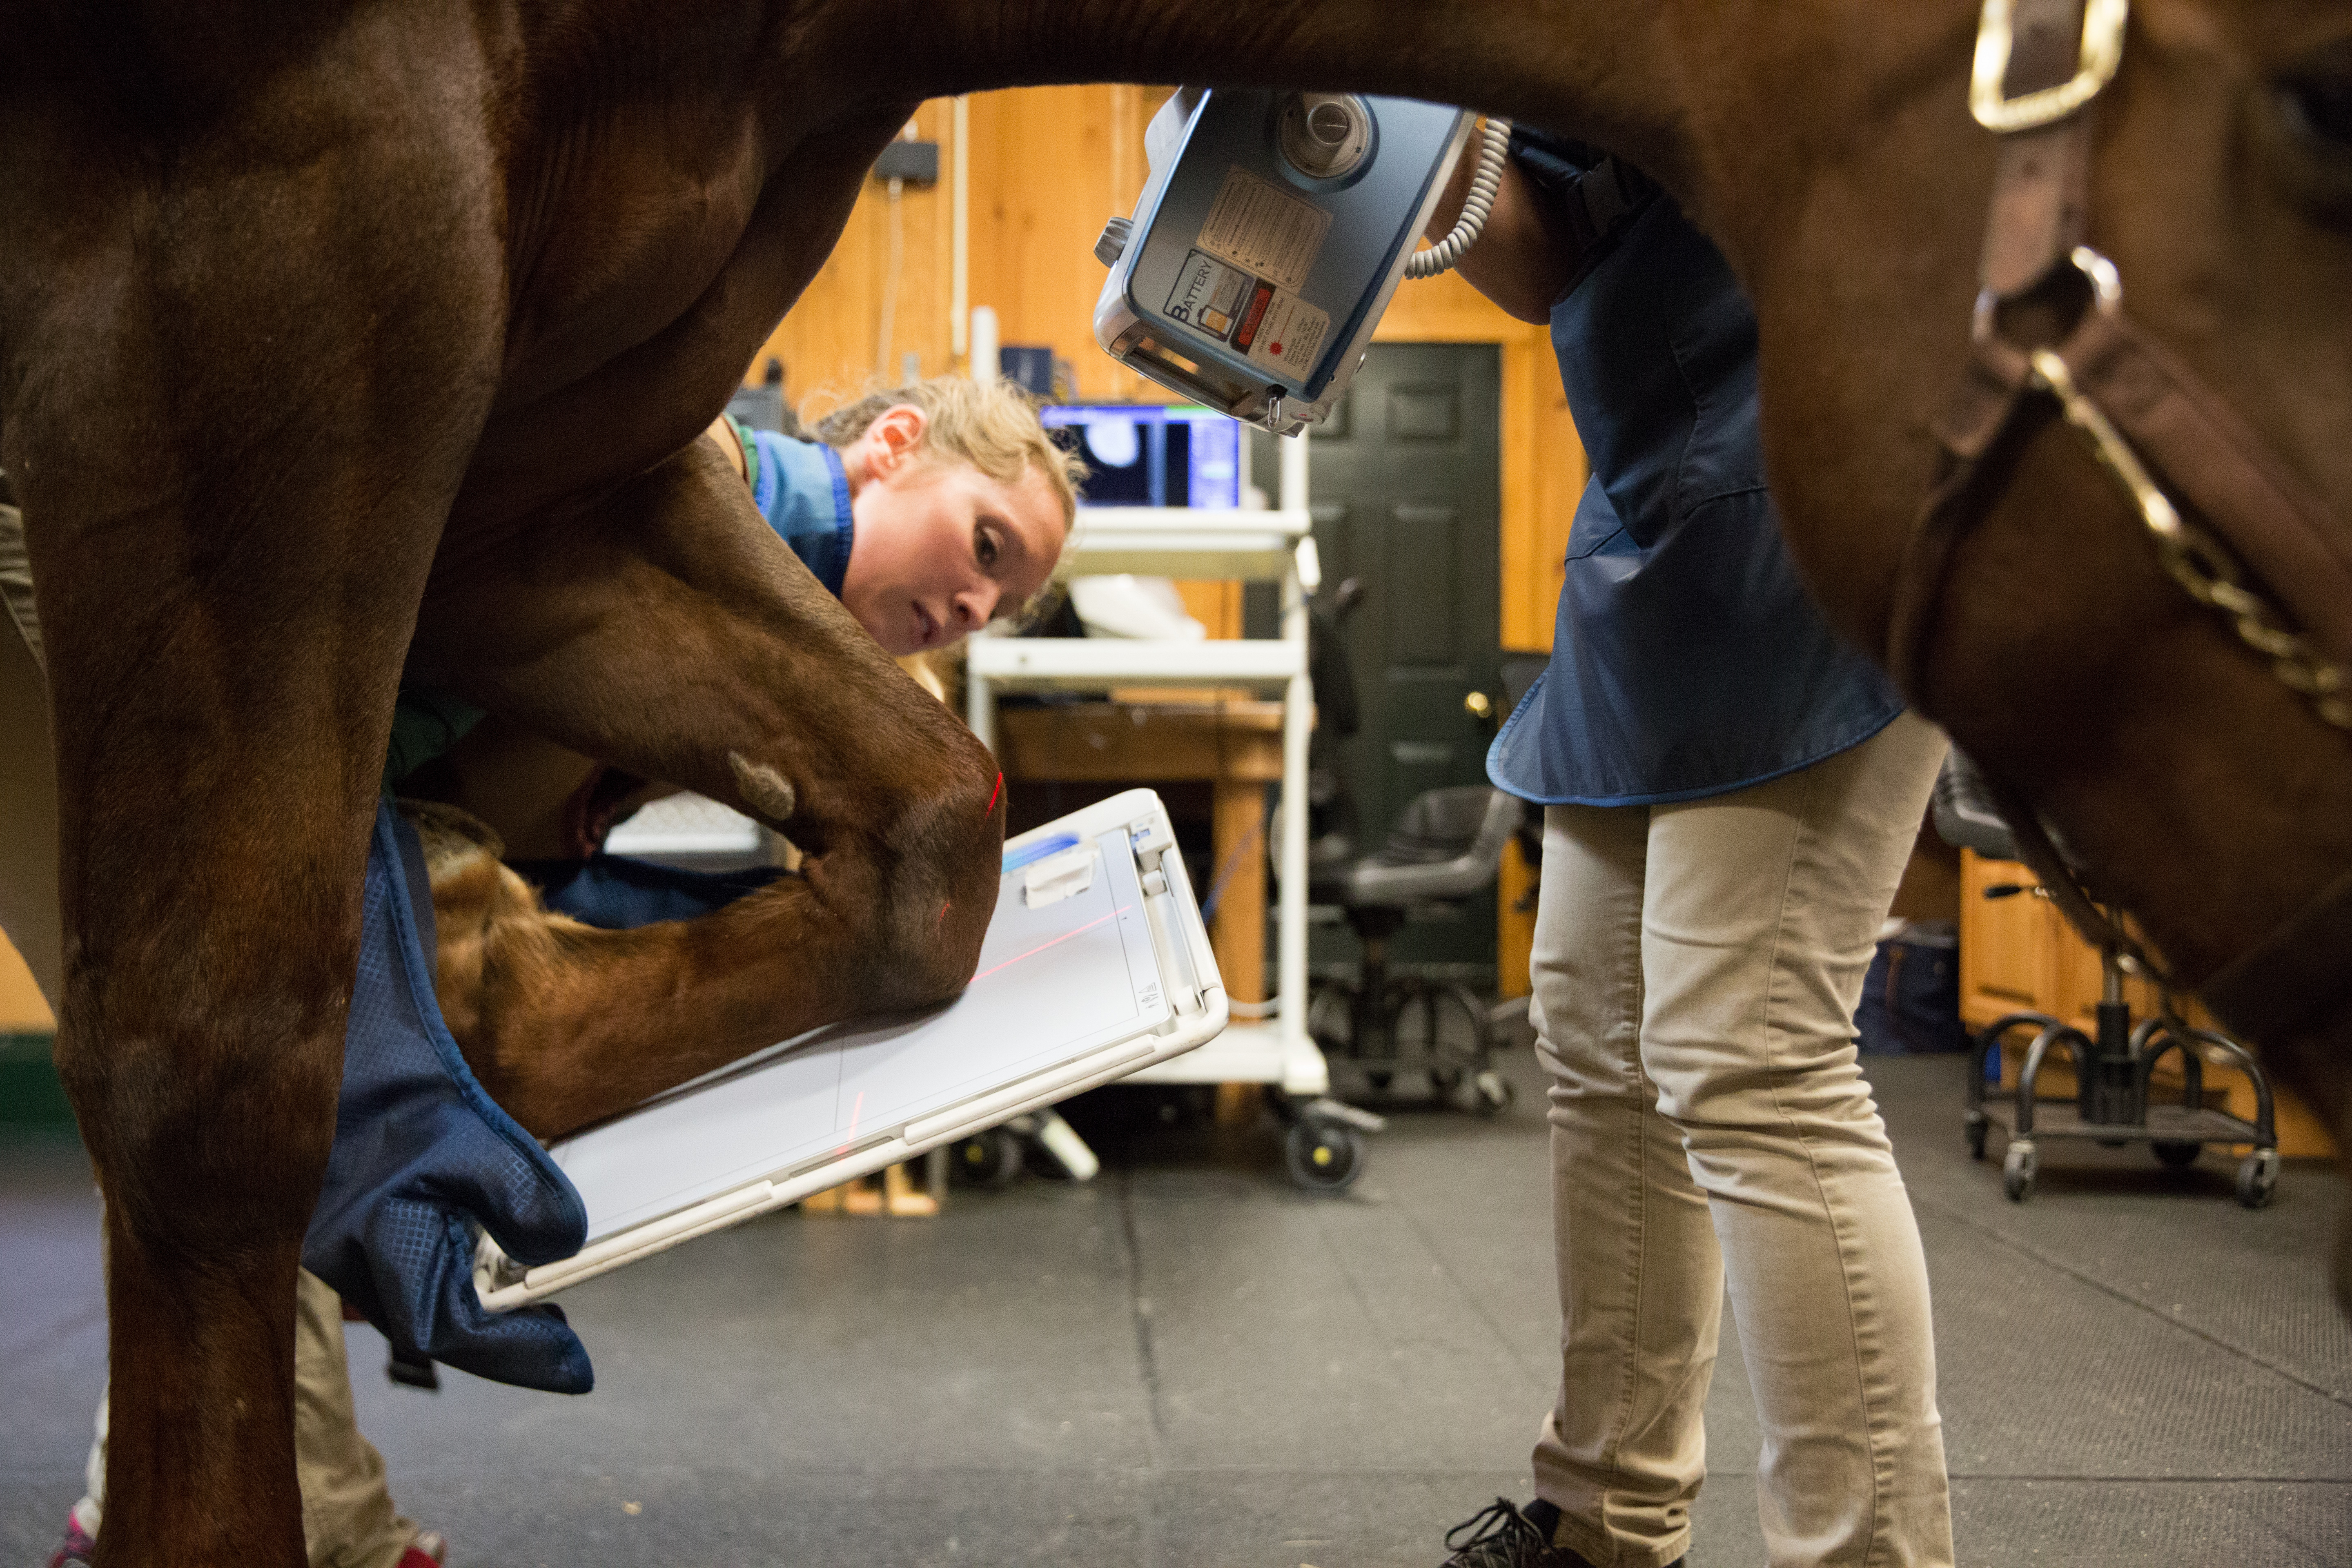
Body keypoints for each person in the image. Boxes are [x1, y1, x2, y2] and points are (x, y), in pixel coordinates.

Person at [16, 374, 1078, 1568]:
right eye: (985, 544)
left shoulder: (812, 648)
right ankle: (252, 1526)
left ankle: (202, 1512)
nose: (976, 599)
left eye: (1004, 601)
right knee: (243, 1122)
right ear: (893, 448)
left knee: (238, 1128)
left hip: (316, 747)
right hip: (123, 588)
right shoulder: (704, 473)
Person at [1425, 132, 1957, 1568]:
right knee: (1595, 1026)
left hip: (1836, 446)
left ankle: (1863, 1557)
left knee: (1751, 1046)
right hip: (1657, 490)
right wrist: (1421, 142)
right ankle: (1608, 1512)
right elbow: (1554, 255)